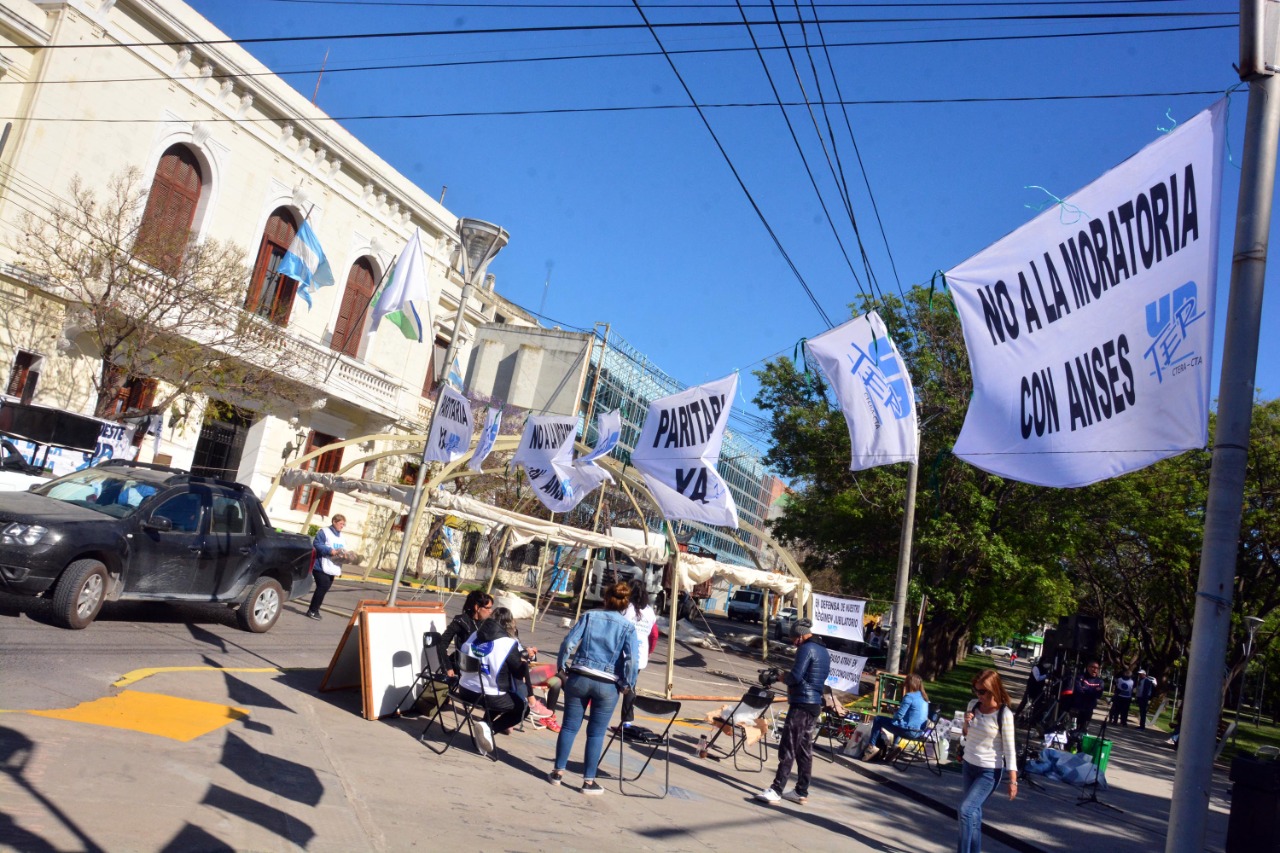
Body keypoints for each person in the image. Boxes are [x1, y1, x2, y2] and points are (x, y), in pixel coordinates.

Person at [550, 582, 639, 794]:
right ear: (625, 605)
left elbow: (568, 642)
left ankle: (557, 772)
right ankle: (588, 781)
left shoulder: (590, 616)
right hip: (608, 683)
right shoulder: (628, 627)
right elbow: (632, 660)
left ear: (605, 599)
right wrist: (627, 684)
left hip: (580, 676)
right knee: (596, 734)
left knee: (569, 727)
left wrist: (562, 666)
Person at [756, 618, 831, 806]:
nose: (793, 642)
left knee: (788, 746)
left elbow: (796, 676)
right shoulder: (823, 650)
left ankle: (776, 789)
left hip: (801, 704)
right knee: (804, 749)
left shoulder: (806, 649)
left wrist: (781, 677)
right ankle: (801, 790)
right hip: (814, 704)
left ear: (801, 635)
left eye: (794, 638)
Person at [959, 668, 1018, 853]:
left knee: (965, 810)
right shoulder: (973, 705)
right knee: (974, 815)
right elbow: (966, 734)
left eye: (982, 691)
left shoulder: (1004, 714)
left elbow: (1010, 750)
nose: (979, 695)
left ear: (993, 689)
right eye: (976, 690)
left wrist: (1013, 780)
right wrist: (966, 722)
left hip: (989, 771)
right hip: (969, 765)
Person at [456, 606, 530, 752]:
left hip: (464, 689)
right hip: (487, 696)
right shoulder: (508, 643)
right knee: (522, 707)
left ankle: (484, 726)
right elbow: (517, 673)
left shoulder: (474, 635)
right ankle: (489, 729)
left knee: (499, 692)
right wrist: (526, 661)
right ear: (509, 624)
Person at [862, 673, 929, 762]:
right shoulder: (925, 698)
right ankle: (894, 746)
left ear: (910, 684)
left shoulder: (909, 696)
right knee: (899, 722)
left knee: (879, 719)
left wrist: (894, 712)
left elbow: (900, 715)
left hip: (908, 731)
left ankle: (871, 746)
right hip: (919, 732)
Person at [618, 579, 657, 729]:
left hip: (621, 651)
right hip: (639, 654)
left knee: (611, 681)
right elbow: (654, 635)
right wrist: (650, 651)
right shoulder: (650, 612)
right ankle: (627, 721)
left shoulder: (625, 608)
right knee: (630, 686)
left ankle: (599, 708)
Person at [439, 590, 494, 676]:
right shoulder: (461, 621)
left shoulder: (488, 623)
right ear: (477, 608)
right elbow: (442, 643)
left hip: (484, 665)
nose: (491, 611)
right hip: (465, 665)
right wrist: (447, 667)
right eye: (488, 608)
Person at [306, 515, 348, 620]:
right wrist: (330, 551)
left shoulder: (341, 536)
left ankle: (315, 610)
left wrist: (346, 555)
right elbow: (317, 544)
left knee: (325, 588)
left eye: (344, 524)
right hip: (320, 565)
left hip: (333, 566)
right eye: (340, 523)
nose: (342, 526)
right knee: (323, 586)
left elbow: (343, 549)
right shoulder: (324, 532)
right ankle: (312, 610)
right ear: (334, 521)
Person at [1073, 661, 1105, 733]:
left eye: (1097, 668)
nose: (1095, 670)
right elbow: (1078, 689)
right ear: (1088, 668)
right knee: (1076, 725)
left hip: (1090, 705)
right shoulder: (1081, 677)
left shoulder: (1100, 681)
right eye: (1093, 667)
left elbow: (1098, 694)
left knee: (1085, 726)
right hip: (1079, 704)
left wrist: (1087, 689)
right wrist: (1092, 690)